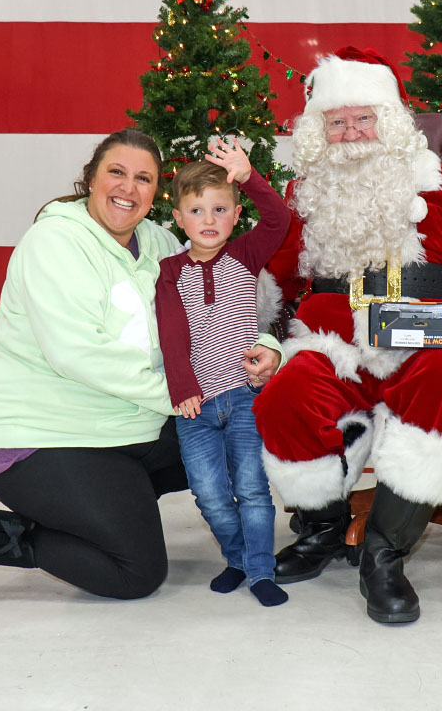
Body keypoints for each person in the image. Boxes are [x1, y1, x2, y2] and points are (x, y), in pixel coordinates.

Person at [253, 47, 442, 624]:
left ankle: (384, 553)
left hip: (426, 343)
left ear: (388, 120)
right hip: (334, 344)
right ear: (318, 131)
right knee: (286, 393)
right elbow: (271, 280)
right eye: (337, 122)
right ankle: (324, 528)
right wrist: (246, 328)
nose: (351, 133)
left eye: (364, 118)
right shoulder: (305, 194)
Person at [0, 128, 282, 607]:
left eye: (144, 178)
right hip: (43, 436)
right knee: (136, 572)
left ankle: (108, 505)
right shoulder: (53, 242)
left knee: (240, 431)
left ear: (157, 193)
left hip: (125, 426)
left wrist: (265, 347)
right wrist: (192, 393)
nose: (128, 187)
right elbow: (77, 354)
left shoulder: (161, 242)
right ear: (91, 178)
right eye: (116, 172)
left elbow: (221, 305)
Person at [155, 138, 290, 607]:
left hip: (245, 395)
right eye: (196, 211)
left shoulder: (244, 256)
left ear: (235, 216)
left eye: (219, 209)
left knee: (252, 489)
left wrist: (248, 177)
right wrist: (182, 387)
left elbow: (279, 219)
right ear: (179, 218)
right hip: (195, 408)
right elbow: (171, 332)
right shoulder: (169, 271)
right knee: (210, 495)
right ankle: (237, 559)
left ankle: (260, 570)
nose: (208, 220)